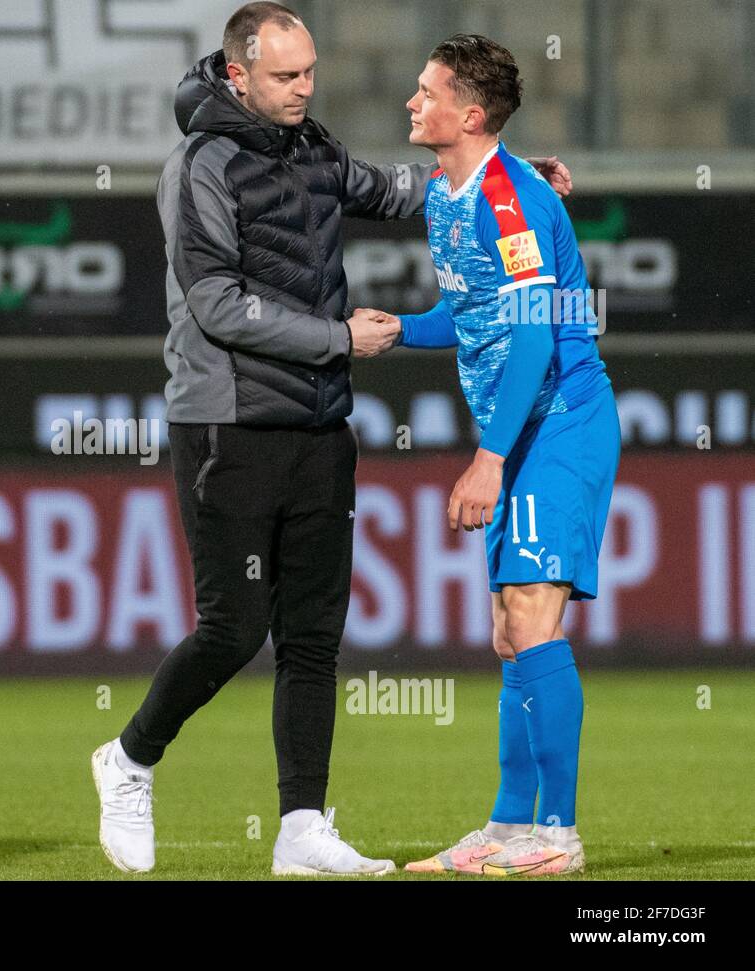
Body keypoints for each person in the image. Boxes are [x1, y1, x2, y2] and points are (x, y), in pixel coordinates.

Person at [91, 3, 574, 876]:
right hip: (227, 421)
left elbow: (397, 190)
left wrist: (508, 171)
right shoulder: (199, 165)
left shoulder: (311, 146)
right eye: (286, 76)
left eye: (310, 72)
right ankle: (130, 758)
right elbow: (216, 305)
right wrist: (338, 341)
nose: (304, 89)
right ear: (237, 74)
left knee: (313, 639)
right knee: (233, 628)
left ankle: (301, 827)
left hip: (319, 423)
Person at [354, 33, 617, 876]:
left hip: (561, 423)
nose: (411, 102)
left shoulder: (512, 198)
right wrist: (401, 328)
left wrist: (490, 457)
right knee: (509, 630)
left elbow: (537, 338)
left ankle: (559, 835)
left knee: (533, 616)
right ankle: (509, 827)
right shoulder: (447, 192)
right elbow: (471, 315)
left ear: (468, 113)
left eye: (425, 90)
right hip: (525, 429)